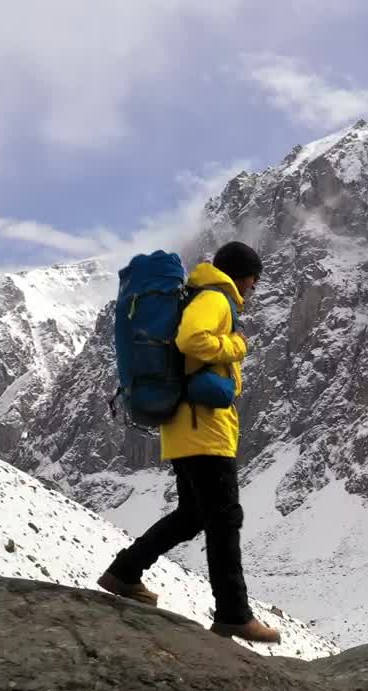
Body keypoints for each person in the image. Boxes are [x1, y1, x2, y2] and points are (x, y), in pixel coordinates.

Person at [98, 241, 281, 644]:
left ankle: (125, 571)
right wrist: (236, 345)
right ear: (241, 274)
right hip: (204, 430)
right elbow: (192, 338)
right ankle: (234, 614)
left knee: (192, 515)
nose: (254, 286)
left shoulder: (203, 294)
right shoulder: (215, 297)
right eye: (253, 278)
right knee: (224, 519)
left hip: (186, 429)